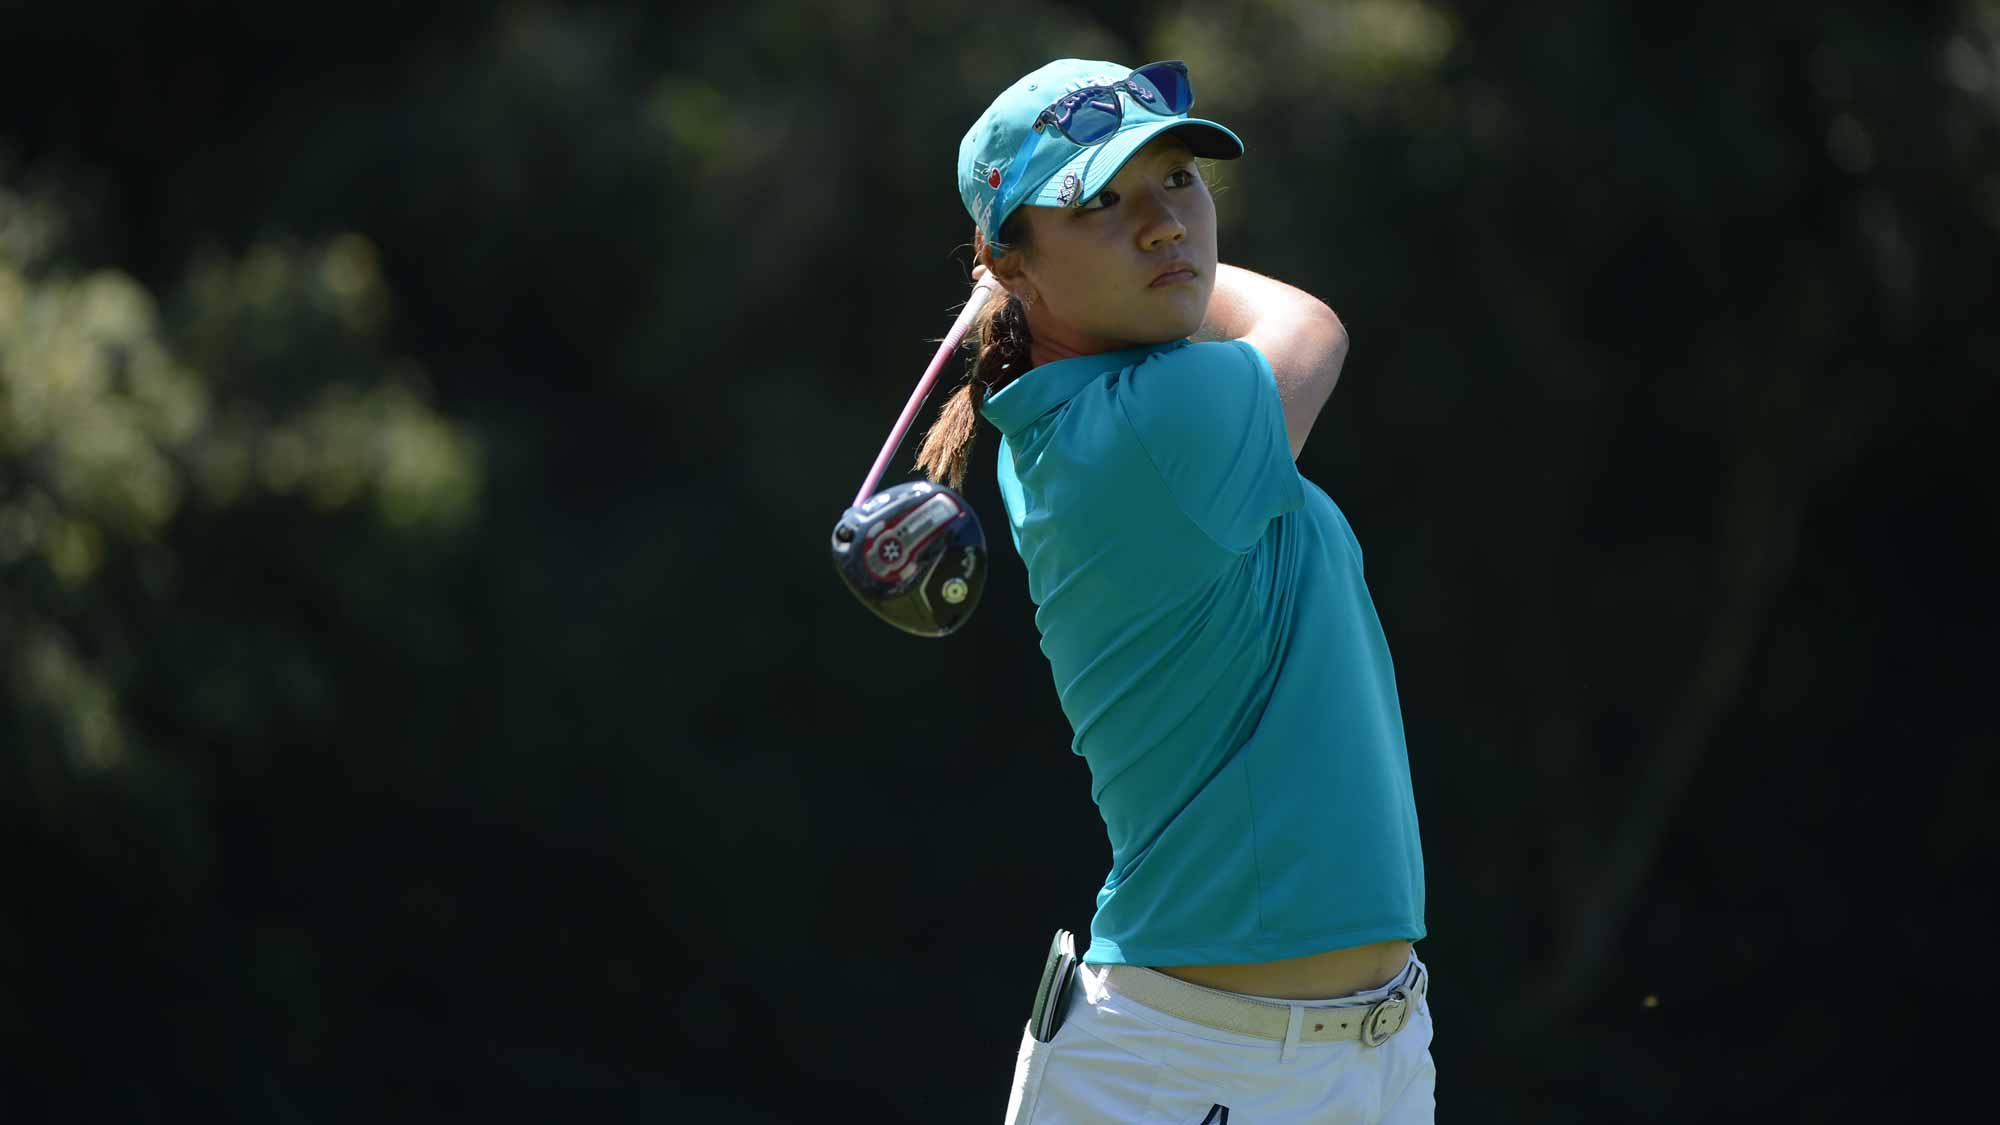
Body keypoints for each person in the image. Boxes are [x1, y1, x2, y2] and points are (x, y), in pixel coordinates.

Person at [915, 59, 1435, 1123]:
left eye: (1178, 184)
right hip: (1195, 1074)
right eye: (1101, 202)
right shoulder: (1144, 431)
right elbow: (1308, 328)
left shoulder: (1092, 413)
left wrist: (1067, 263)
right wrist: (1176, 262)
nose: (1162, 225)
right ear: (1008, 263)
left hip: (1354, 1057)